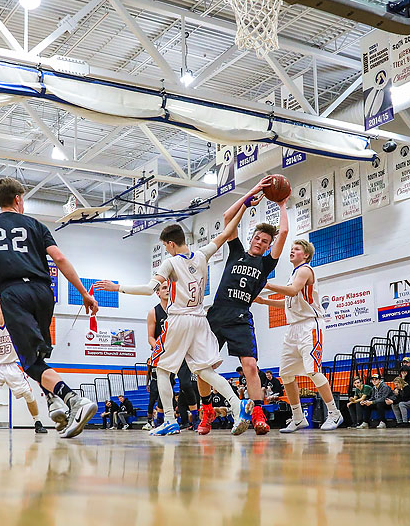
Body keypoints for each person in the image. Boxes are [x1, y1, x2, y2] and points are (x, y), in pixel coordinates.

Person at [95, 207, 248, 437]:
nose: (166, 249)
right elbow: (227, 232)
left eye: (166, 245)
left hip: (179, 320)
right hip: (200, 319)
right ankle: (238, 407)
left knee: (162, 369)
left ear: (170, 244)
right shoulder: (202, 254)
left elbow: (149, 289)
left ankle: (169, 420)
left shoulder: (170, 263)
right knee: (205, 371)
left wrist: (118, 287)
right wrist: (245, 205)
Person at [0, 177, 99, 439]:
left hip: (13, 294)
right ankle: (52, 402)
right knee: (38, 355)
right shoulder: (35, 225)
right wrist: (83, 294)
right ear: (18, 199)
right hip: (44, 293)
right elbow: (60, 258)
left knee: (30, 363)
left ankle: (72, 399)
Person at [208, 178, 288, 435]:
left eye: (265, 241)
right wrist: (250, 195)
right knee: (204, 368)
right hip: (217, 313)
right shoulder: (236, 251)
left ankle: (257, 413)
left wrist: (282, 203)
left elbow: (283, 233)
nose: (260, 243)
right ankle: (206, 412)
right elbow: (226, 216)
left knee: (251, 365)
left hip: (241, 316)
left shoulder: (266, 264)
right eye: (258, 238)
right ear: (252, 237)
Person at [262, 239, 343, 432]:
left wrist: (266, 284)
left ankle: (334, 413)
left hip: (310, 325)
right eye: (291, 249)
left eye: (296, 249)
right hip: (293, 328)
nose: (292, 251)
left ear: (305, 254)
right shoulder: (294, 275)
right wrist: (263, 302)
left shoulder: (305, 270)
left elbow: (292, 291)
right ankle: (298, 417)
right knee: (286, 374)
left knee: (313, 370)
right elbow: (289, 301)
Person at [0, 297, 47, 434]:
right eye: (2, 303)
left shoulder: (14, 325)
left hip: (12, 365)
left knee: (29, 394)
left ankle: (38, 422)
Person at [147, 281, 197, 429]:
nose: (167, 290)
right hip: (164, 354)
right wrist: (158, 347)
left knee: (187, 384)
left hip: (181, 352)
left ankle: (195, 418)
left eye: (169, 288)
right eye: (163, 288)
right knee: (166, 385)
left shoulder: (179, 308)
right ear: (158, 293)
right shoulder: (153, 312)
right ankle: (161, 419)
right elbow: (150, 337)